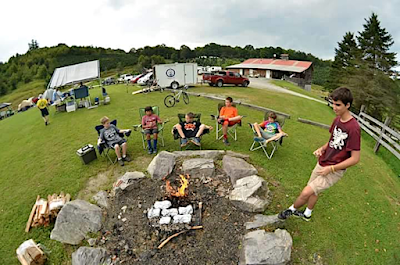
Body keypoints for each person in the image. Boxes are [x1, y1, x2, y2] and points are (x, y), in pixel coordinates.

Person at [278, 87, 361, 221]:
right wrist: (322, 148)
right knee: (313, 190)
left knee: (306, 192)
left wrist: (331, 169)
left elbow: (355, 159)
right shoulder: (337, 120)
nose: (334, 107)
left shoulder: (354, 128)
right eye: (333, 103)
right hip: (323, 162)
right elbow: (332, 141)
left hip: (334, 169)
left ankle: (290, 211)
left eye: (338, 105)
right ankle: (307, 214)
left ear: (347, 105)